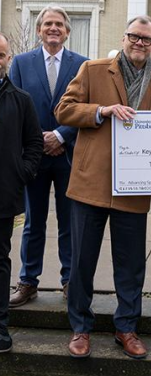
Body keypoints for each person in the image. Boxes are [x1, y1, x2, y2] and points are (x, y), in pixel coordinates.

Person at [55, 15, 151, 359]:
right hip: (90, 183)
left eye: (146, 40)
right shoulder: (94, 71)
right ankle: (80, 328)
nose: (139, 44)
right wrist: (102, 111)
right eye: (134, 37)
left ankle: (126, 327)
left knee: (131, 265)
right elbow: (64, 110)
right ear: (124, 38)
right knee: (81, 262)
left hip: (134, 189)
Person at [9, 5, 87, 307]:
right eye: (47, 24)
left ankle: (70, 282)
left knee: (70, 223)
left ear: (67, 31)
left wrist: (60, 135)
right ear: (39, 29)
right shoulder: (21, 63)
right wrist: (39, 139)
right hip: (34, 156)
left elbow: (84, 107)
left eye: (59, 24)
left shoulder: (82, 65)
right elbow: (15, 106)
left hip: (69, 156)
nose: (53, 28)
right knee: (33, 222)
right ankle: (28, 281)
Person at [0, 32, 43, 353]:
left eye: (0, 55)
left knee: (0, 262)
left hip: (3, 196)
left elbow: (34, 144)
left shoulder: (21, 100)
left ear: (7, 60)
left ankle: (0, 328)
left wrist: (20, 174)